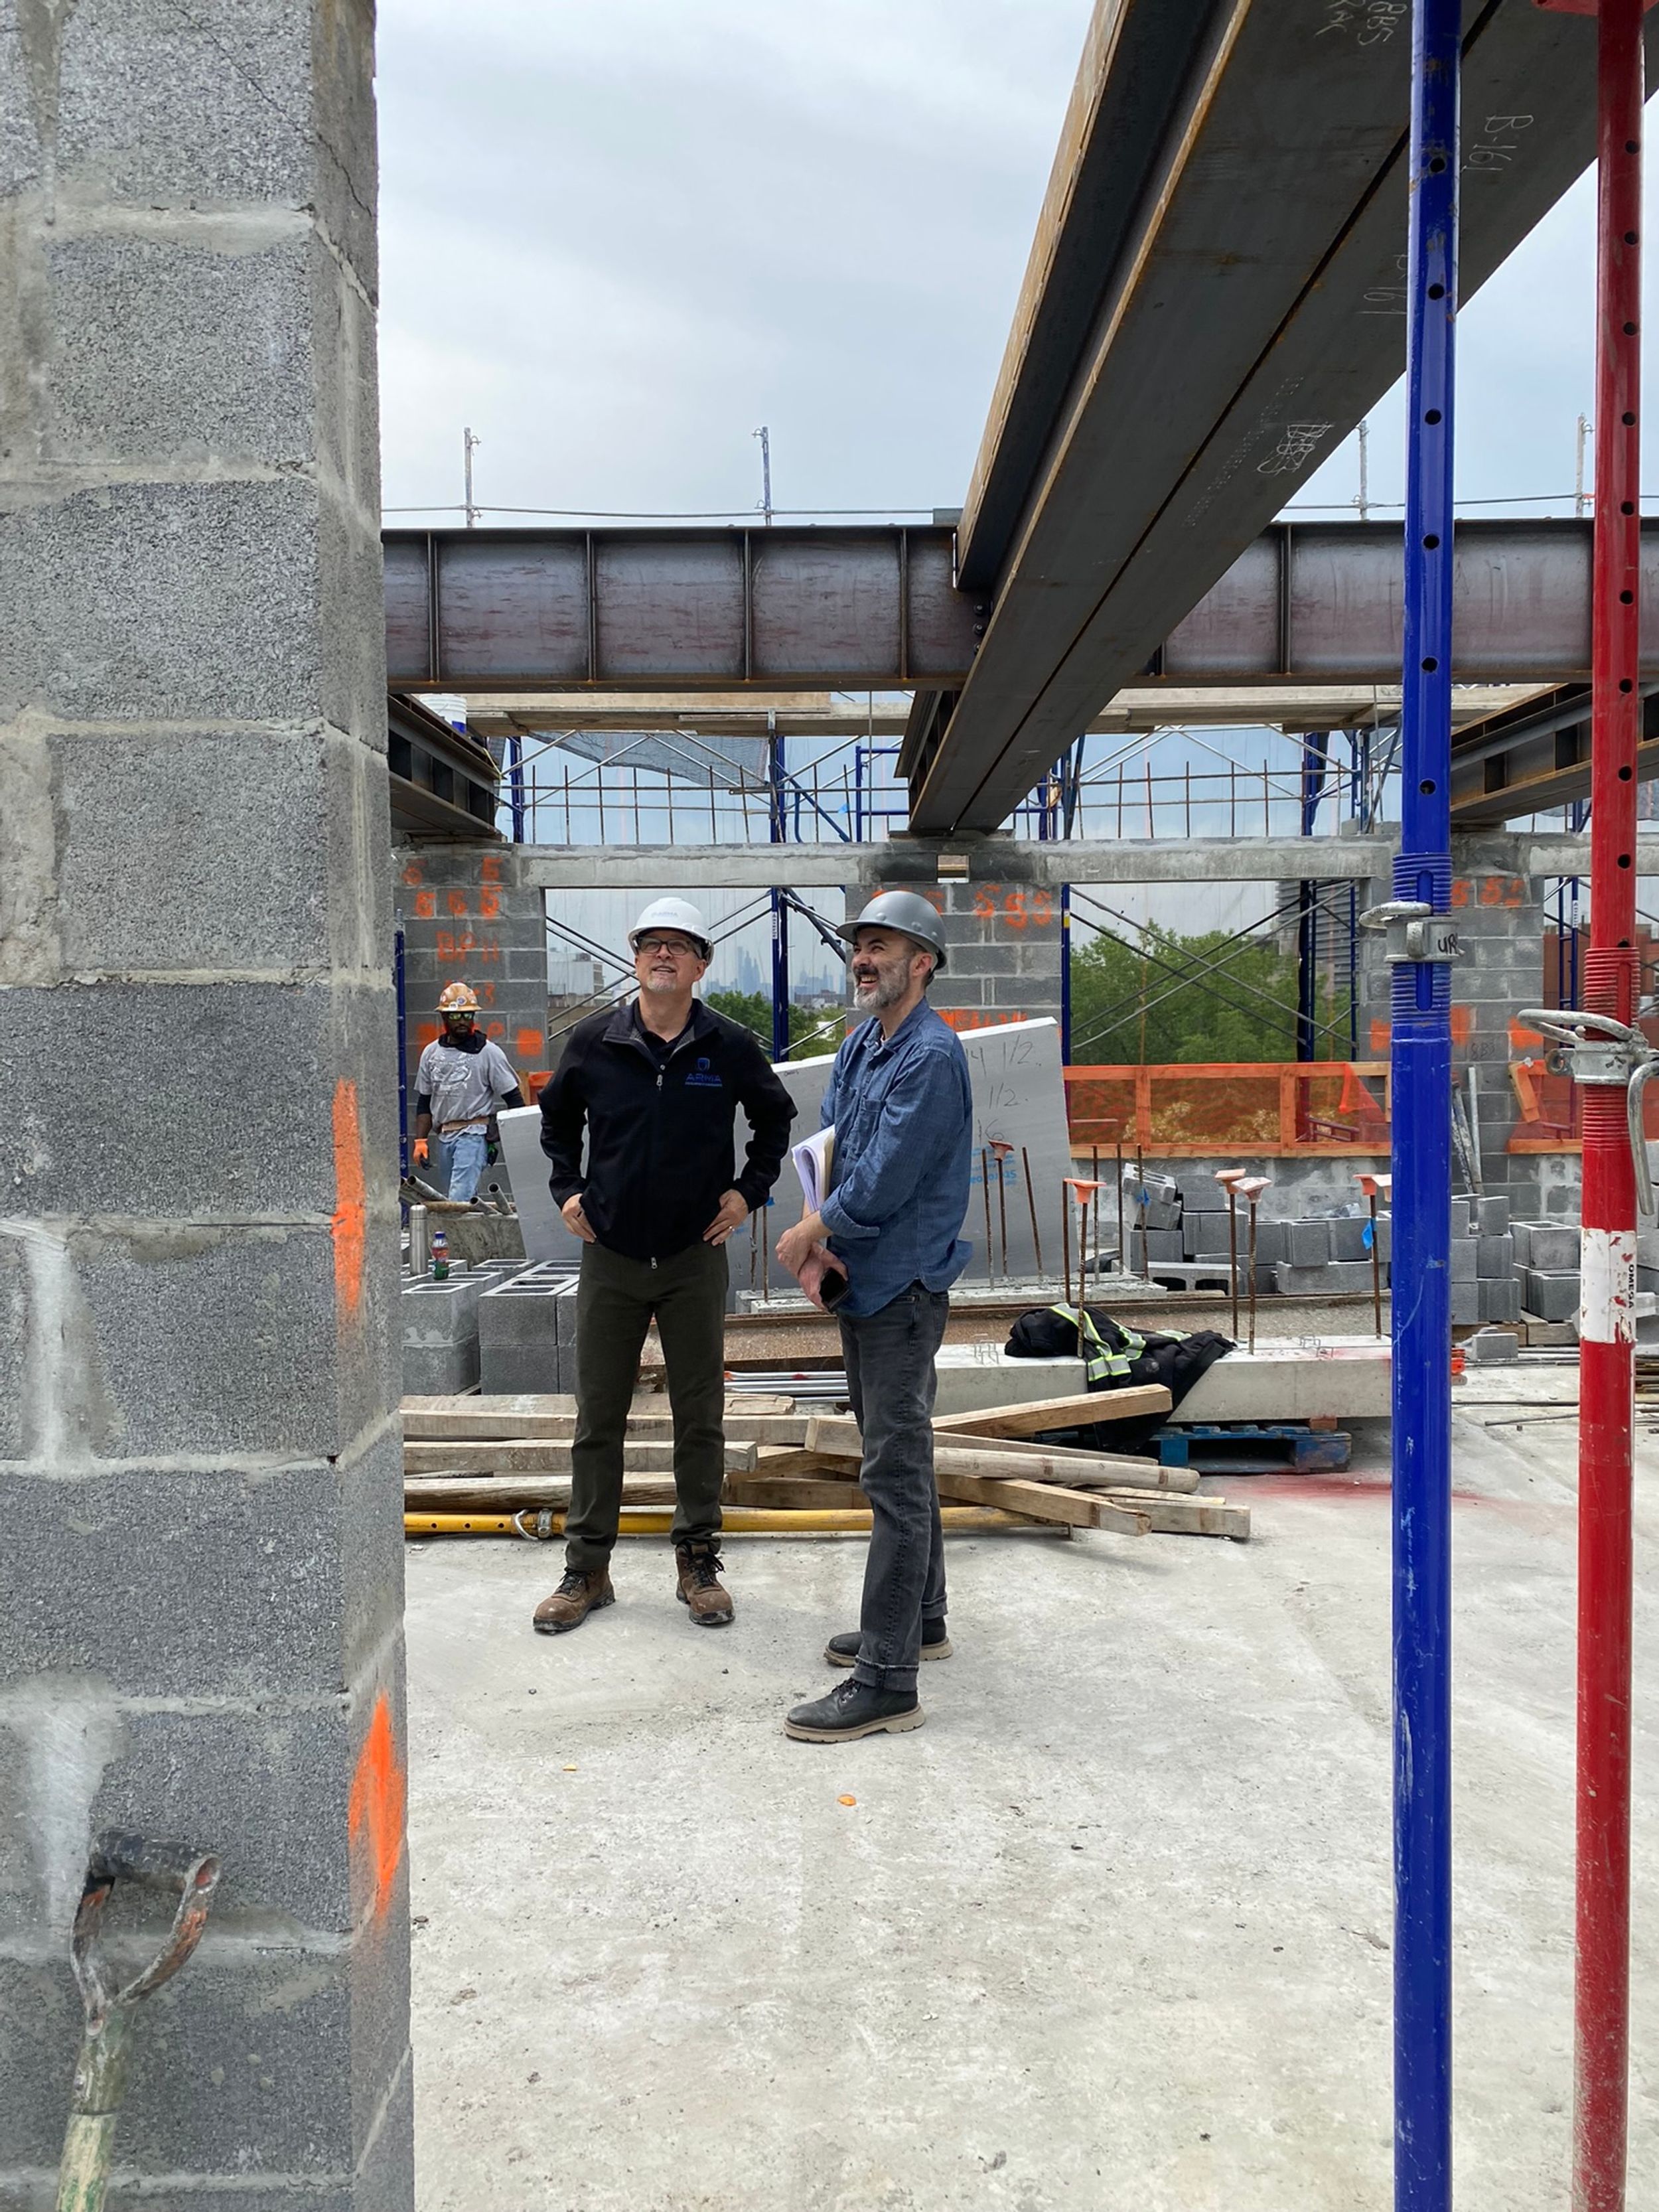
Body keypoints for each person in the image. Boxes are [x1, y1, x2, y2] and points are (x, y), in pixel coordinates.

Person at [533, 899, 796, 1634]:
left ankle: (698, 1559)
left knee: (699, 1415)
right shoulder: (595, 1041)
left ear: (700, 965)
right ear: (636, 957)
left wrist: (748, 1193)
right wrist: (567, 1189)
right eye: (651, 944)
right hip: (612, 1255)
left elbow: (775, 1120)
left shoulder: (726, 1045)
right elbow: (557, 1121)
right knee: (599, 1418)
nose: (663, 956)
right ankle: (587, 1569)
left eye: (679, 947)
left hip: (691, 1255)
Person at [775, 891, 972, 1743]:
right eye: (859, 945)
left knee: (892, 1471)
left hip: (902, 1286)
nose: (863, 958)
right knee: (900, 1451)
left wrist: (812, 1231)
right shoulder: (863, 1045)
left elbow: (886, 1175)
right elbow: (835, 1145)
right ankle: (918, 1620)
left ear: (921, 961)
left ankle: (888, 1680)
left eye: (882, 946)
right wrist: (824, 1234)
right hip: (864, 1276)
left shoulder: (929, 1056)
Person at [412, 982, 526, 1203]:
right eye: (456, 1016)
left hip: (474, 1132)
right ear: (444, 1018)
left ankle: (452, 1238)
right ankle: (471, 1236)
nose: (463, 1021)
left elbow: (514, 1098)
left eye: (467, 1015)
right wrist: (420, 1141)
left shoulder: (488, 1053)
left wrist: (511, 1137)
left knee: (459, 1198)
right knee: (455, 1199)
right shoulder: (431, 1053)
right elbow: (425, 1100)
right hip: (445, 1134)